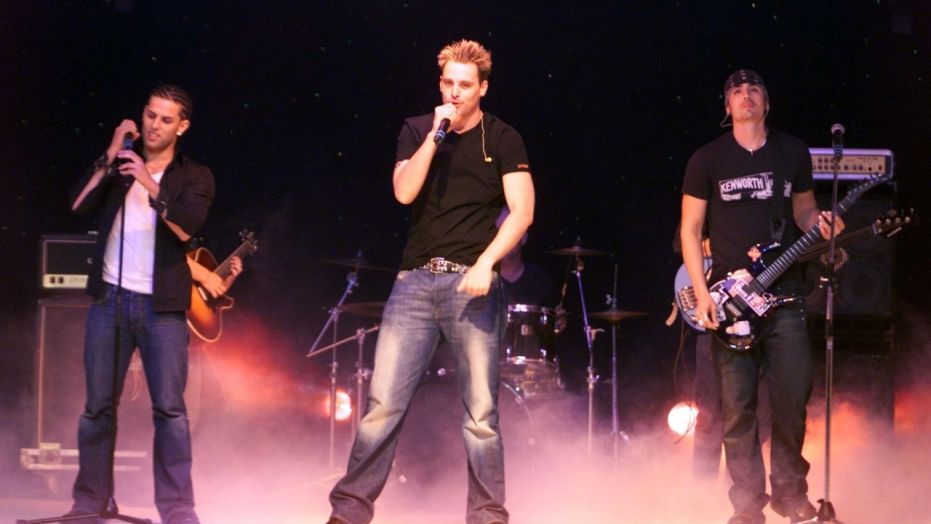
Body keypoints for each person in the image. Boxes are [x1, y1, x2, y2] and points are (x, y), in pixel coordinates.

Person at [327, 39, 534, 524]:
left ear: (483, 88)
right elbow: (403, 192)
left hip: (473, 284)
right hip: (415, 283)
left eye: (466, 85)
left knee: (481, 416)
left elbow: (523, 212)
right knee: (382, 405)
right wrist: (435, 136)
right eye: (448, 83)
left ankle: (487, 516)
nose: (456, 93)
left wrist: (486, 263)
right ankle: (349, 513)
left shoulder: (504, 138)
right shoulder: (418, 129)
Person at [680, 69, 844, 524]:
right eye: (736, 91)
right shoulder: (707, 158)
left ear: (766, 102)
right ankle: (748, 506)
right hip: (732, 300)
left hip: (786, 294)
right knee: (737, 409)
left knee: (792, 400)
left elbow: (805, 210)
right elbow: (691, 230)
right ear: (726, 106)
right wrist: (700, 293)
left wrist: (822, 225)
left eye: (753, 90)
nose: (745, 96)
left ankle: (792, 495)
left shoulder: (791, 151)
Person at [68, 84, 214, 524]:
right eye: (150, 115)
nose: (154, 125)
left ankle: (177, 510)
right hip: (110, 300)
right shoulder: (119, 168)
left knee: (169, 411)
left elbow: (187, 228)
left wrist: (150, 183)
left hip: (161, 308)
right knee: (97, 408)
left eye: (165, 119)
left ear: (182, 127)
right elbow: (77, 205)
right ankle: (90, 503)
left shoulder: (195, 176)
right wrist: (111, 153)